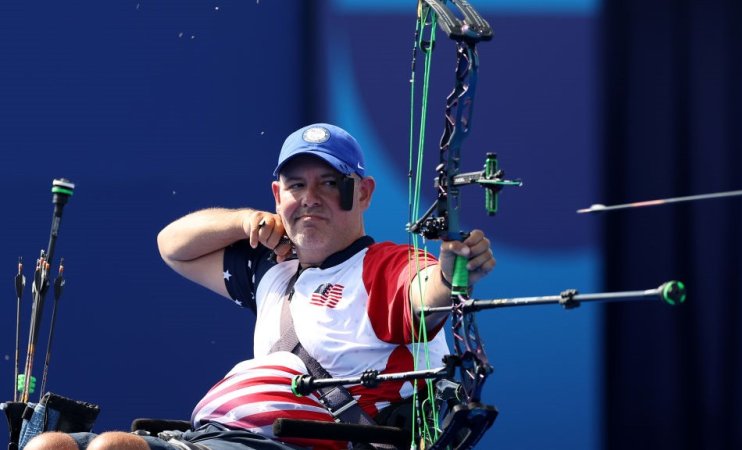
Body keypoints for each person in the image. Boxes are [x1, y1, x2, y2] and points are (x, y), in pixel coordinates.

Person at [25, 123, 495, 450]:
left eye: (330, 184)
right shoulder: (272, 272)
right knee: (47, 443)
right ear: (278, 196)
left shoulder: (385, 266)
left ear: (364, 192)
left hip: (304, 443)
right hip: (213, 436)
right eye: (295, 186)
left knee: (112, 448)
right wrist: (245, 220)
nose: (310, 199)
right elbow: (173, 246)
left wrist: (455, 269)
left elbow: (427, 292)